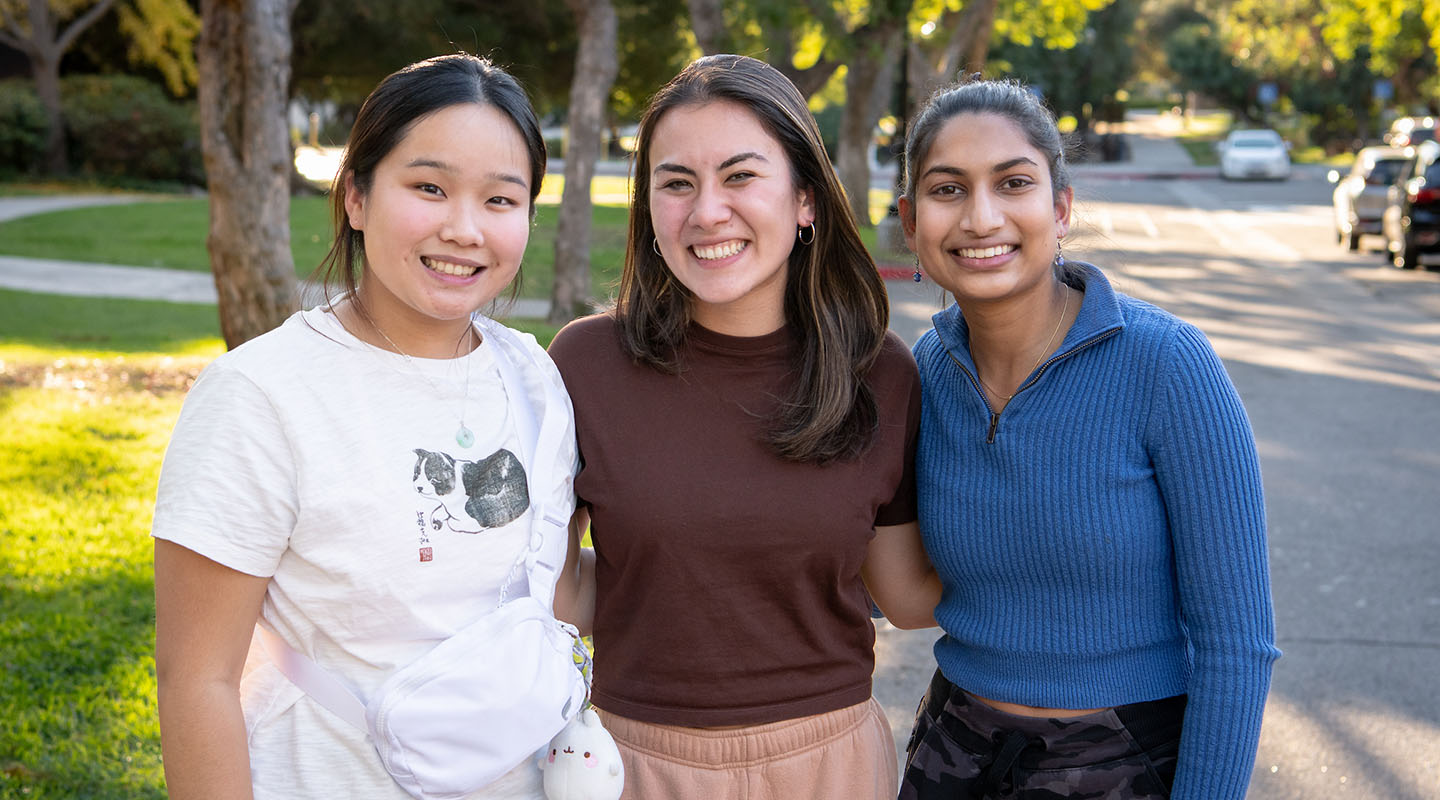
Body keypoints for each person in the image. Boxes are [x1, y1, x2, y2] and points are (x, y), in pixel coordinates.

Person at [152, 54, 577, 800]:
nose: (464, 228)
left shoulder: (533, 377)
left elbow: (553, 593)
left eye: (501, 200)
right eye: (428, 188)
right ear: (355, 195)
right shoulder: (259, 395)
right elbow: (198, 681)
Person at [546, 54, 940, 800]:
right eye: (676, 183)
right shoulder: (585, 364)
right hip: (639, 763)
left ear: (807, 201)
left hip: (829, 765)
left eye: (740, 176)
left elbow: (908, 595)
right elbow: (564, 593)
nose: (706, 212)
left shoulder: (880, 373)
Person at [896, 78, 1280, 800]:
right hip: (954, 756)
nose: (981, 217)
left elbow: (1237, 646)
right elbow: (905, 582)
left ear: (1061, 207)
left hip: (1124, 762)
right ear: (911, 223)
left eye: (1013, 183)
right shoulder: (927, 368)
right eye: (948, 190)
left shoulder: (1167, 364)